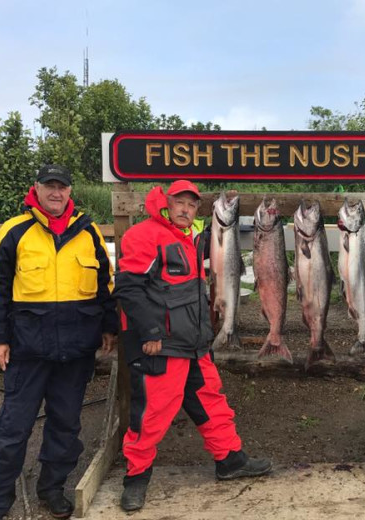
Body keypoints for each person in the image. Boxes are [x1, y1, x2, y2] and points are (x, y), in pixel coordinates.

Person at [114, 180, 272, 512]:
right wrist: (151, 332)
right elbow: (129, 290)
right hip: (161, 345)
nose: (186, 210)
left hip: (194, 343)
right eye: (180, 203)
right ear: (165, 203)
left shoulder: (191, 239)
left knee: (212, 401)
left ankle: (230, 459)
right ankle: (136, 477)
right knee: (152, 414)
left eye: (192, 205)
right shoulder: (142, 235)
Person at [0, 164, 118, 520]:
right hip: (27, 349)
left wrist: (109, 326)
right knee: (13, 427)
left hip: (76, 349)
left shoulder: (88, 233)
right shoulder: (15, 231)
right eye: (49, 186)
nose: (56, 193)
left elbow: (107, 286)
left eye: (62, 187)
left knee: (66, 425)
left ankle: (52, 488)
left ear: (70, 192)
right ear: (36, 189)